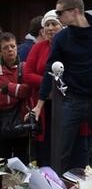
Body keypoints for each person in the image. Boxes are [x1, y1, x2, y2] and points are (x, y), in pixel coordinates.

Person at [31, 0, 92, 170]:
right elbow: (49, 71)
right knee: (61, 152)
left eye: (60, 13)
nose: (57, 17)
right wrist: (39, 104)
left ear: (75, 11)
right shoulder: (61, 38)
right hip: (72, 100)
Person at [24, 10, 64, 166]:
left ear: (62, 27)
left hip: (64, 103)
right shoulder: (38, 47)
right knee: (44, 146)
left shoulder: (67, 47)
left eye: (54, 24)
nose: (50, 28)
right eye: (47, 25)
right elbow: (27, 74)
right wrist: (49, 82)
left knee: (63, 143)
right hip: (43, 103)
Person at [0, 32, 32, 162]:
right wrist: (17, 89)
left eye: (12, 46)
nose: (10, 50)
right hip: (1, 123)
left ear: (17, 47)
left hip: (21, 122)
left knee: (22, 161)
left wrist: (8, 88)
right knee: (3, 161)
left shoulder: (24, 67)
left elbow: (28, 90)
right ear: (0, 51)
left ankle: (22, 183)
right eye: (5, 47)